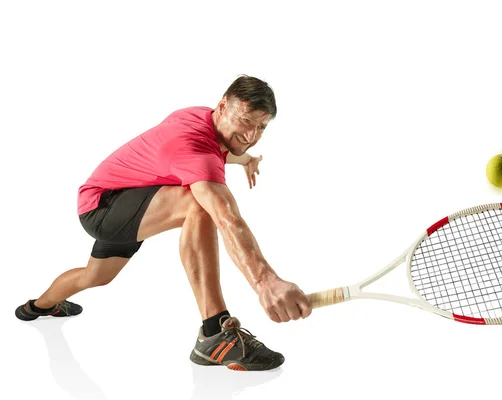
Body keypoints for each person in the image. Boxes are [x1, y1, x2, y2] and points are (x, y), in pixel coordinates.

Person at [15, 75, 312, 371]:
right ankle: (215, 332)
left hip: (133, 205)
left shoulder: (201, 118)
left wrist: (246, 159)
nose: (252, 135)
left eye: (262, 126)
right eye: (246, 121)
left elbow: (220, 150)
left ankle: (39, 306)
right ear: (222, 106)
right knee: (199, 203)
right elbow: (226, 217)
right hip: (104, 206)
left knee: (95, 276)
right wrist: (266, 283)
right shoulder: (191, 147)